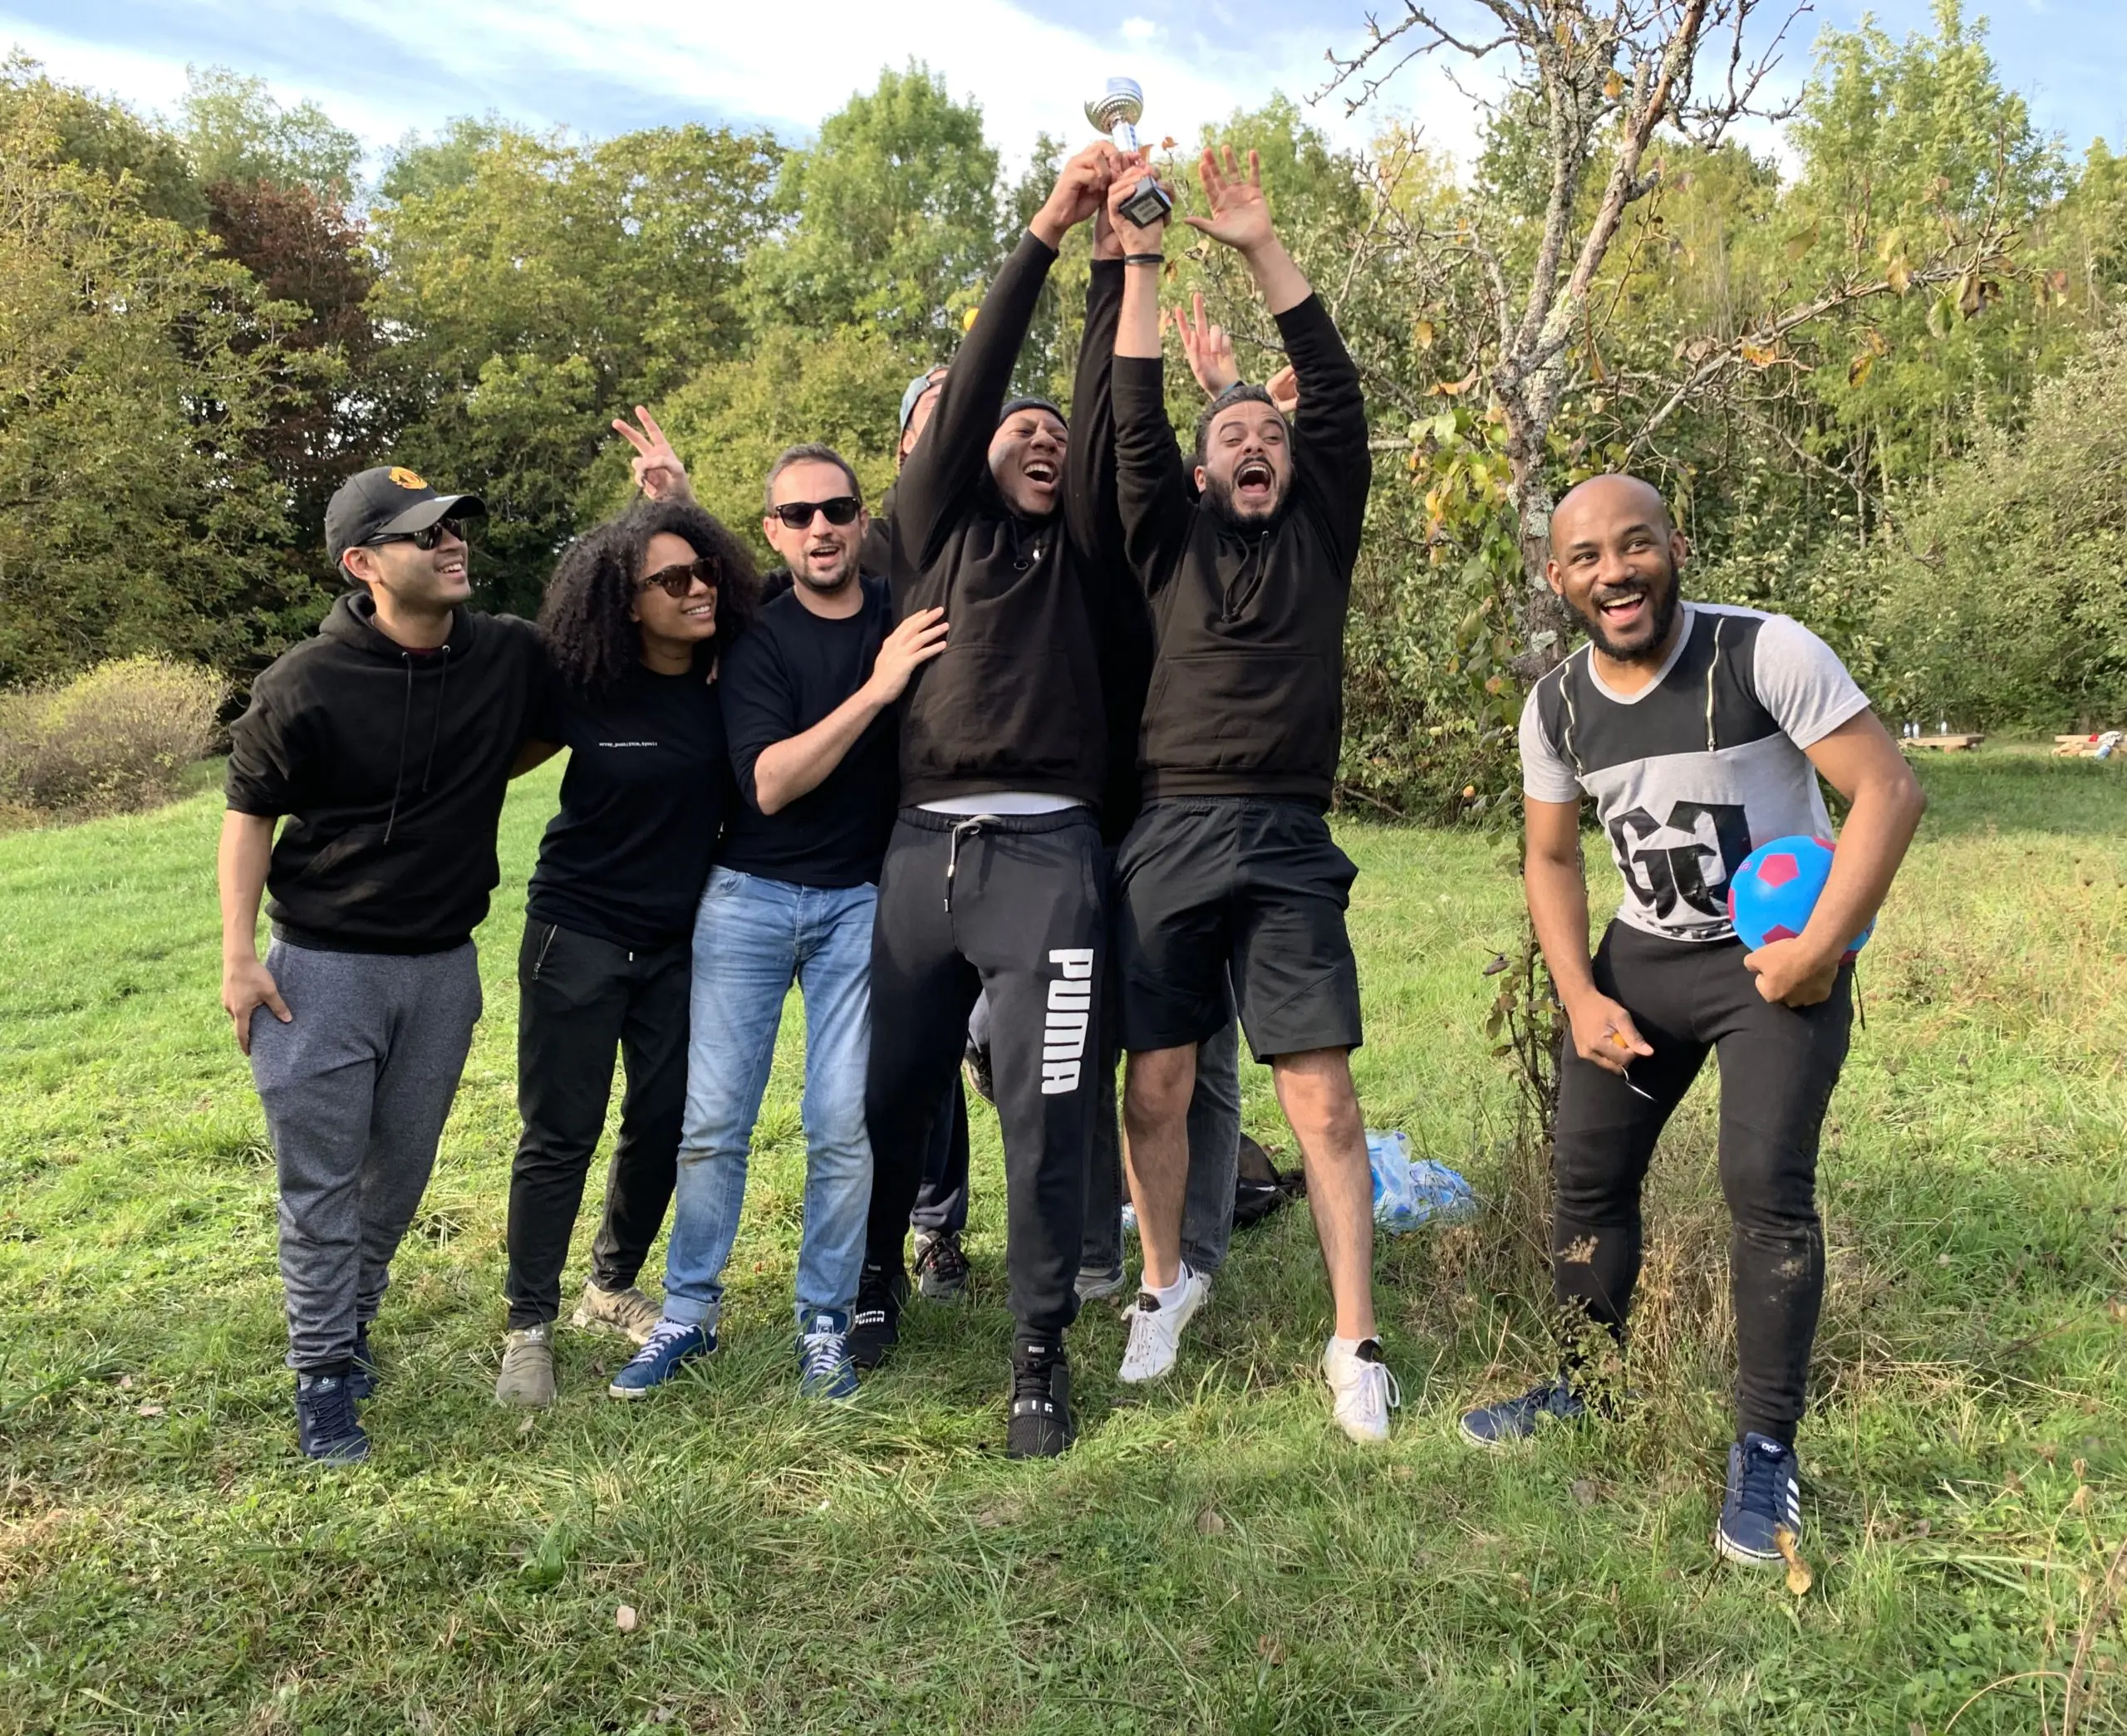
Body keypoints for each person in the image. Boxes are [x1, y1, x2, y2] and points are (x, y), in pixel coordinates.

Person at [1458, 472, 1925, 1568]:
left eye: (1635, 545)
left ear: (1677, 543)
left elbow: (1889, 793)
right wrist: (1578, 995)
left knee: (1765, 1188)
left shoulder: (1766, 654)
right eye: (1586, 556)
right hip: (1646, 964)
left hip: (1775, 965)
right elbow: (1553, 854)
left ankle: (1766, 1450)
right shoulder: (1557, 705)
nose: (1614, 572)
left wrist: (1820, 951)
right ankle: (1587, 1382)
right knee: (1586, 1176)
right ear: (1555, 574)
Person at [1104, 147, 1391, 1441]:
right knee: (1157, 1083)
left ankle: (1354, 1343)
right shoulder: (1167, 534)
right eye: (1234, 436)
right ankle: (1162, 1286)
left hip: (1286, 831)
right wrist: (1147, 261)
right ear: (1204, 472)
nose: (1259, 442)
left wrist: (1264, 247)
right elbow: (1128, 412)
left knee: (1321, 1098)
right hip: (1167, 827)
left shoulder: (1322, 529)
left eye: (1269, 433)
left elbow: (1330, 387)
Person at [851, 141, 1124, 1459]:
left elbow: (1102, 405)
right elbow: (975, 392)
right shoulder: (927, 533)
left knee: (1044, 1103)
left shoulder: (1086, 550)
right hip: (919, 858)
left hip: (1049, 863)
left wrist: (1117, 270)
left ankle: (1037, 1351)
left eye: (1053, 435)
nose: (1039, 436)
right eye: (1015, 427)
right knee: (892, 1084)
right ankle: (873, 1283)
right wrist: (1048, 230)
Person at [219, 465, 555, 1464]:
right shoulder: (304, 683)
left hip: (442, 968)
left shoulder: (501, 654)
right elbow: (247, 815)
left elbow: (540, 730)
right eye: (424, 536)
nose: (453, 544)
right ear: (364, 564)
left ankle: (349, 1323)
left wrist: (473, 769)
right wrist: (239, 956)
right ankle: (324, 1374)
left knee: (397, 1178)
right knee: (320, 1184)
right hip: (320, 971)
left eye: (456, 527)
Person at [608, 445, 949, 1400]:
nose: (820, 528)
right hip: (749, 898)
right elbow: (769, 781)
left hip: (862, 904)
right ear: (771, 533)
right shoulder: (753, 630)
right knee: (715, 1122)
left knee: (842, 1127)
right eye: (795, 515)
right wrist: (878, 689)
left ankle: (825, 1324)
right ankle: (688, 1312)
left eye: (837, 508)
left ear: (861, 517)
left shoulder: (903, 612)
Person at [493, 499, 758, 1407]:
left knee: (663, 1123)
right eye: (671, 580)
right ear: (626, 601)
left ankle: (609, 1287)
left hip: (683, 943)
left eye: (705, 572)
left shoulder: (730, 679)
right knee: (559, 1132)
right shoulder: (583, 685)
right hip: (578, 932)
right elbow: (489, 763)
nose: (697, 589)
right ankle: (528, 1323)